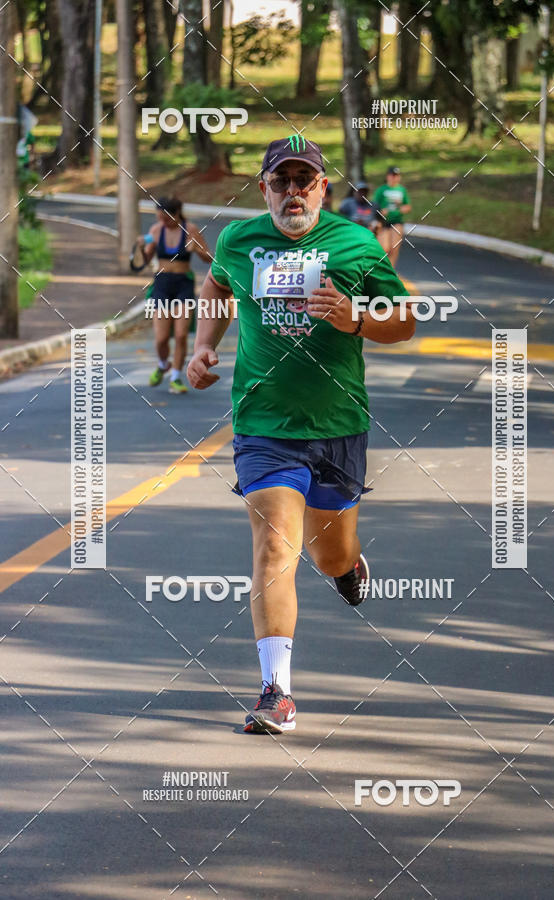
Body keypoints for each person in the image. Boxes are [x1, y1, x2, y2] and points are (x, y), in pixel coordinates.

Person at [187, 136, 416, 734]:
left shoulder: (354, 244)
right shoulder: (238, 241)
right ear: (263, 188)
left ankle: (346, 566)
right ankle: (275, 692)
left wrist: (357, 317)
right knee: (274, 545)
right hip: (263, 425)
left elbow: (407, 320)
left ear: (322, 187)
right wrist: (203, 347)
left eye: (304, 181)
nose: (293, 192)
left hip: (339, 426)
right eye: (281, 181)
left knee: (328, 551)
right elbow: (215, 288)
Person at [137, 197, 212, 394]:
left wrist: (196, 248)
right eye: (160, 218)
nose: (164, 222)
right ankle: (163, 364)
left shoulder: (191, 229)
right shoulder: (156, 230)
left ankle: (176, 378)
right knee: (161, 339)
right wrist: (140, 247)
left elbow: (209, 258)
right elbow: (146, 260)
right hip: (161, 285)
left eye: (167, 218)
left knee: (180, 335)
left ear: (177, 213)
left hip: (183, 284)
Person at [373, 166, 411, 269]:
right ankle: (382, 269)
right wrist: (380, 212)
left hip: (396, 221)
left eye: (396, 176)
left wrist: (403, 209)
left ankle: (392, 270)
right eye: (392, 175)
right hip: (384, 222)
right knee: (384, 248)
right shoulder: (382, 190)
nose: (394, 178)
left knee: (394, 247)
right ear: (388, 176)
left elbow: (408, 206)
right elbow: (374, 205)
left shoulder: (401, 190)